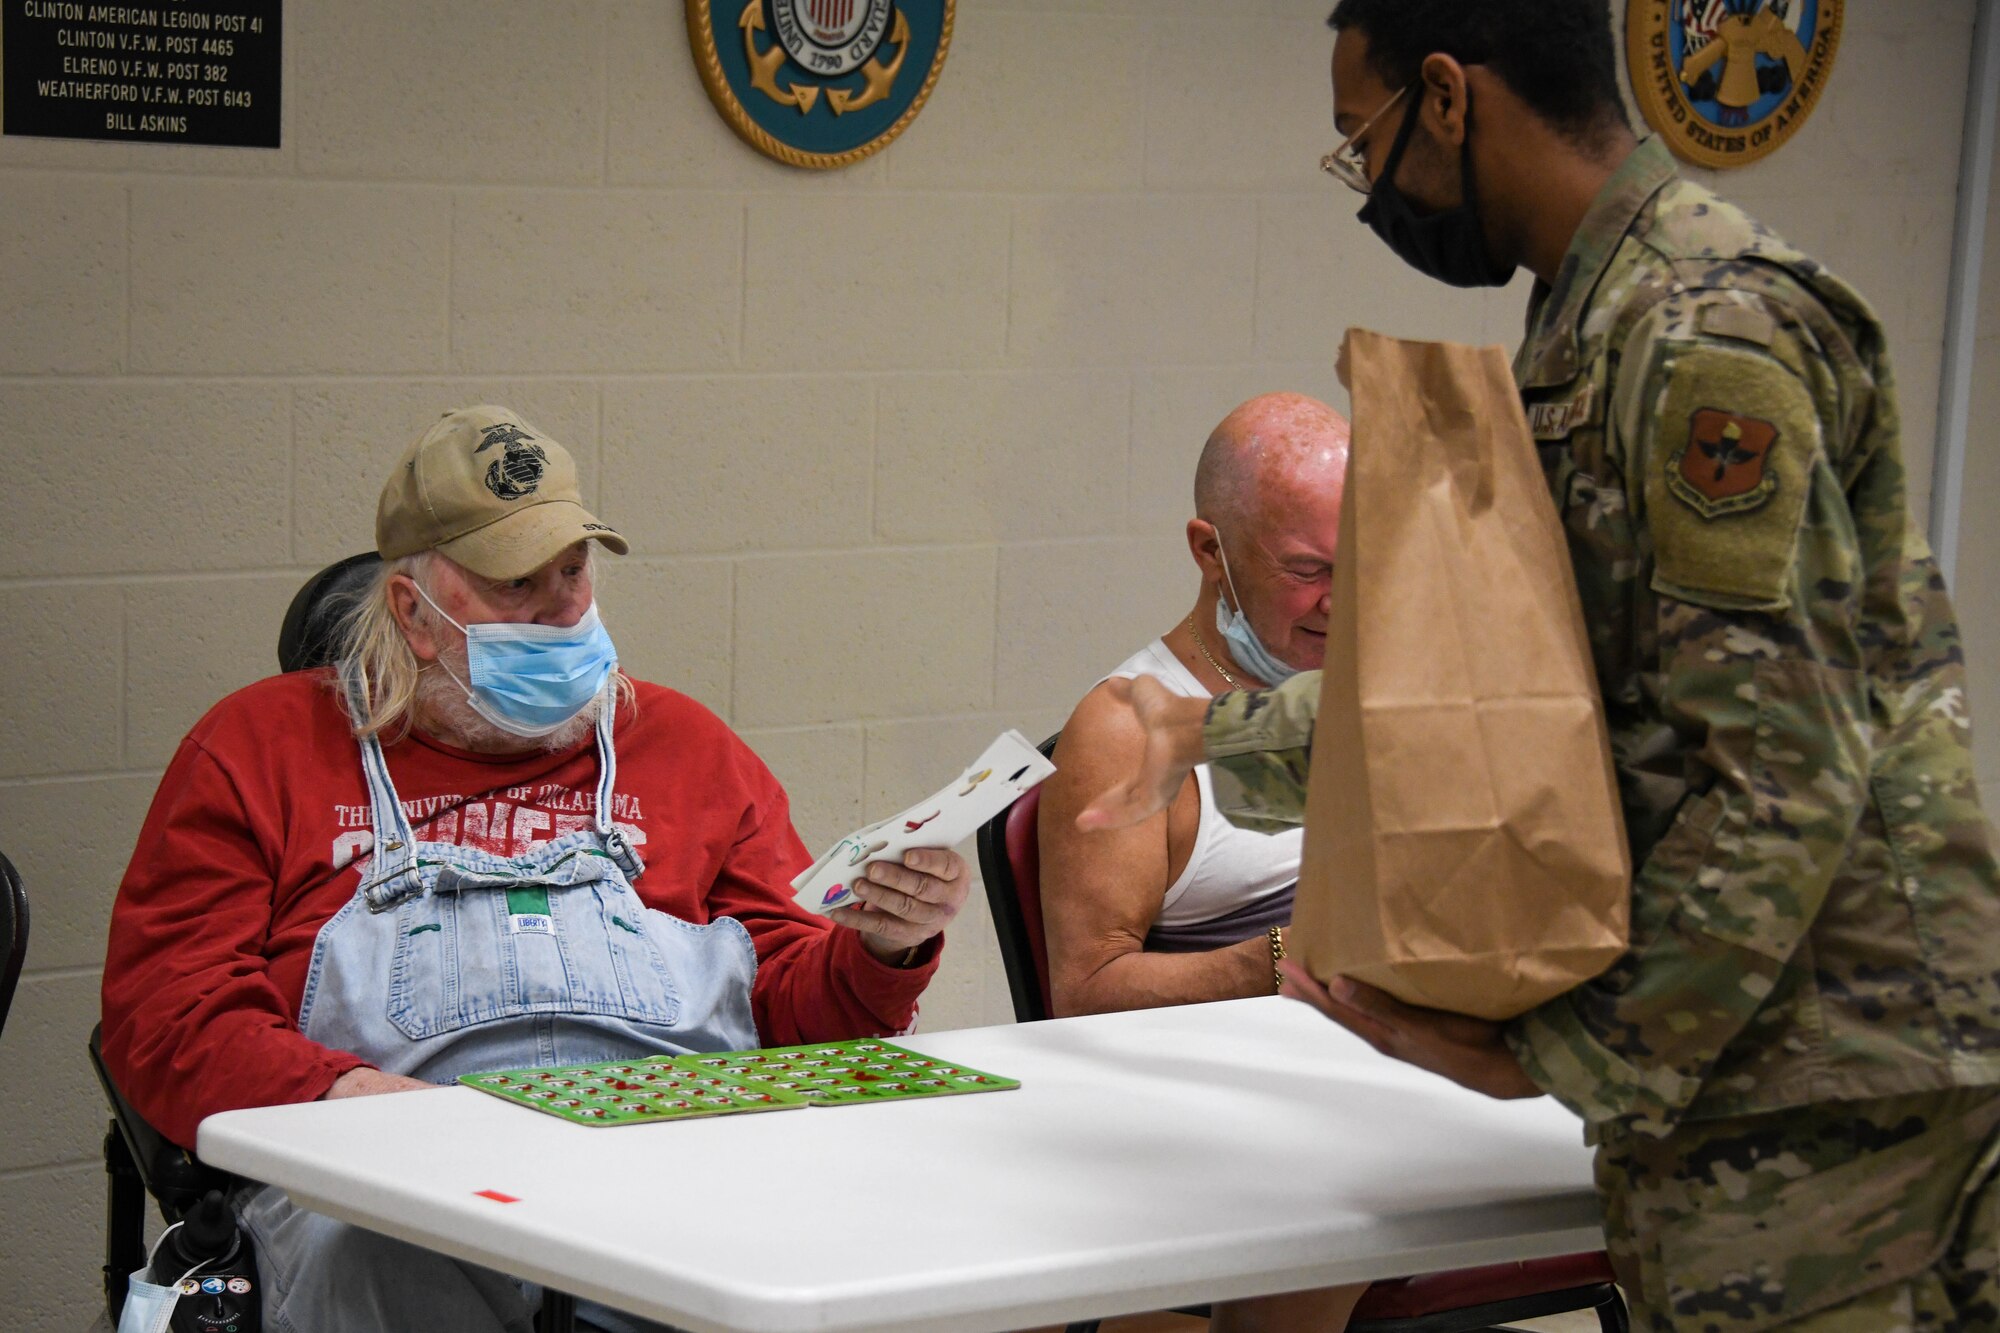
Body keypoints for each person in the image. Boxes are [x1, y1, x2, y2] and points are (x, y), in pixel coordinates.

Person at [1077, 2, 2000, 1328]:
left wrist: (1571, 1056)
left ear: (1448, 99)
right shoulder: (1598, 330)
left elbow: (1784, 773)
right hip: (1746, 1077)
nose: (1369, 189)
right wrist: (1202, 736)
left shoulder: (1700, 341)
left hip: (1836, 1094)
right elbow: (1503, 701)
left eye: (1364, 142)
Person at [99, 405, 971, 1333]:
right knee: (386, 1250)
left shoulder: (687, 748)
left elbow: (799, 1020)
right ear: (413, 613)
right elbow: (168, 1012)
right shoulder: (259, 748)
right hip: (395, 1187)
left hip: (675, 1176)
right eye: (518, 581)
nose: (565, 609)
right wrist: (350, 1103)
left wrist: (881, 946)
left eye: (574, 569)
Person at [1041, 393, 1346, 1016]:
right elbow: (1082, 994)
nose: (1342, 603)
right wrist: (1290, 958)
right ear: (1211, 552)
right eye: (1307, 570)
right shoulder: (1128, 734)